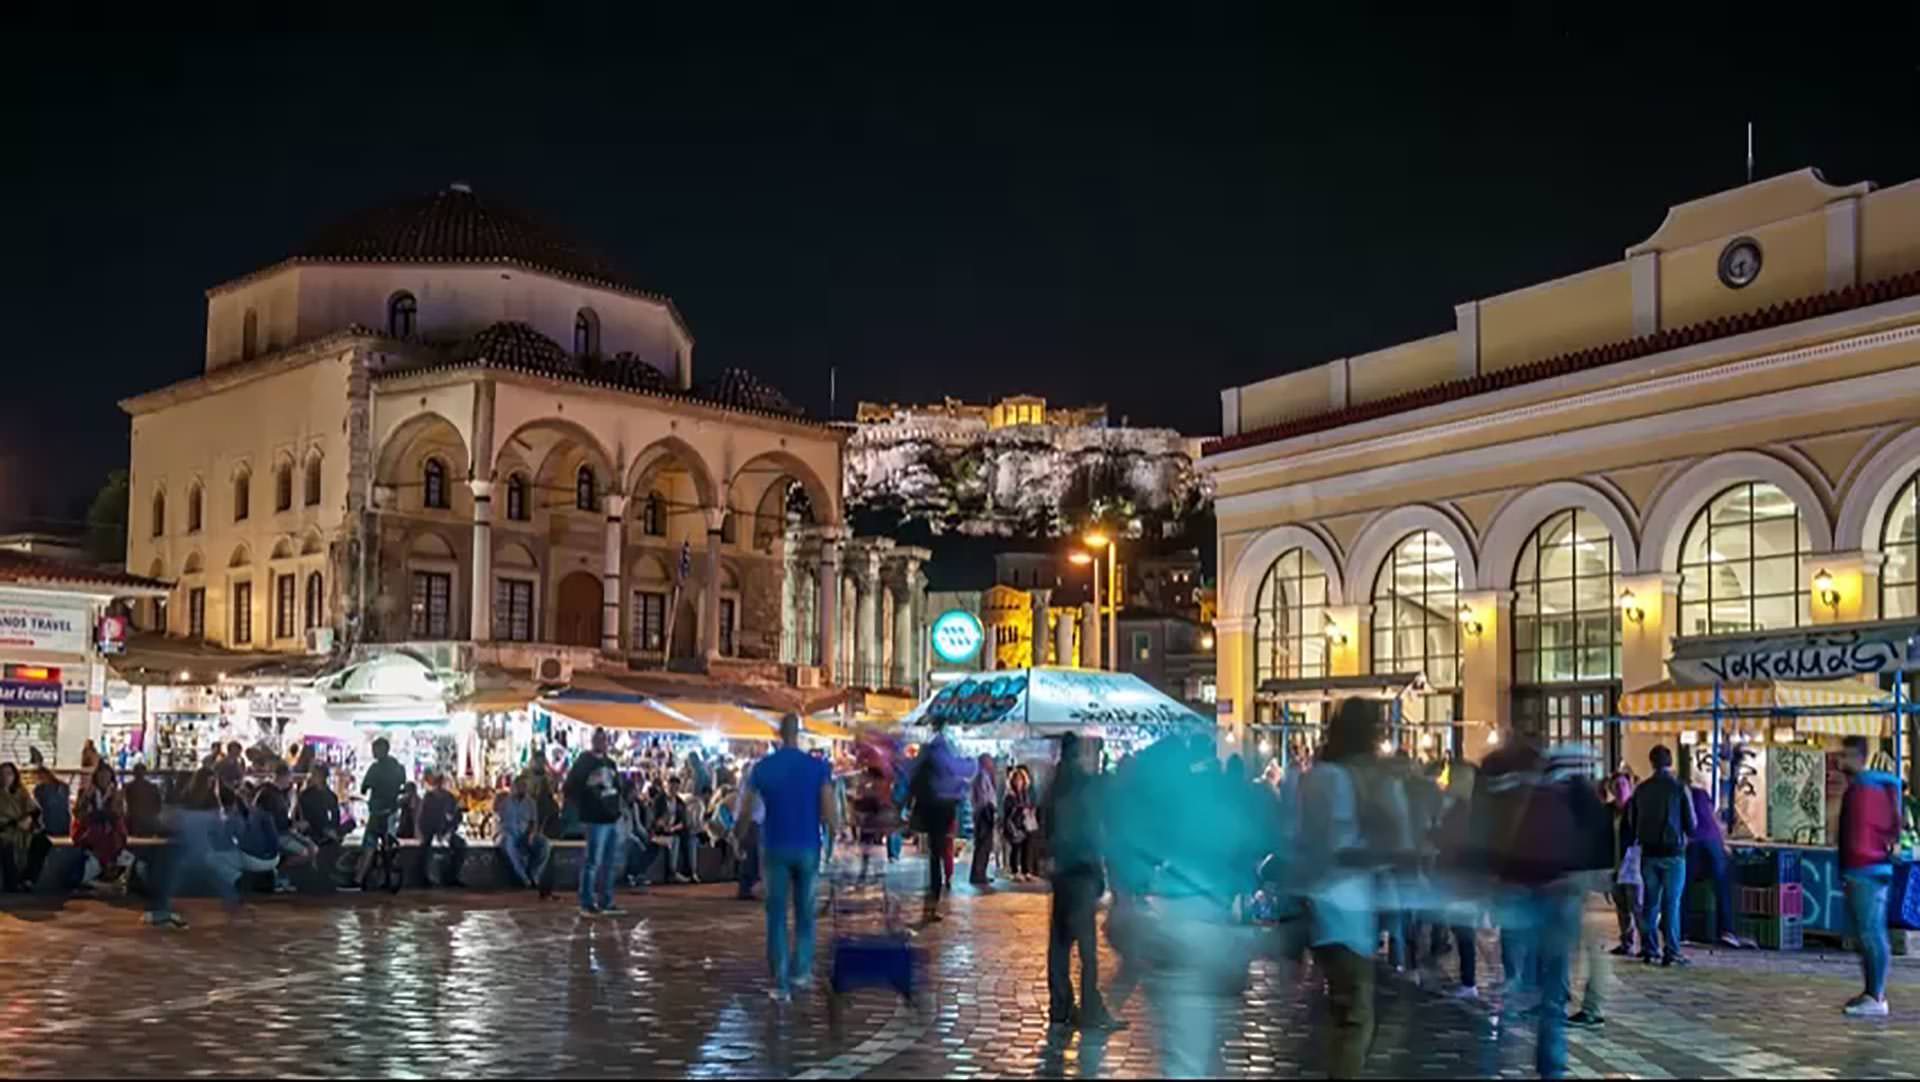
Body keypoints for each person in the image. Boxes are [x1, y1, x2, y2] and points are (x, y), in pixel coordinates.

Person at [1295, 698, 1408, 1079]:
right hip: (1348, 911)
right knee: (1357, 1020)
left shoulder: (1317, 777)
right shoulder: (1363, 780)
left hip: (1318, 909)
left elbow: (1300, 839)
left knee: (1344, 1012)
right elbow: (1365, 846)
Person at [737, 713, 834, 1003]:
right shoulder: (818, 768)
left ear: (779, 733)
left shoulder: (763, 769)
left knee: (776, 915)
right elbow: (830, 811)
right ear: (799, 733)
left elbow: (746, 811)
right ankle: (801, 971)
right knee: (805, 913)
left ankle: (780, 981)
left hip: (775, 846)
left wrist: (738, 836)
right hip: (807, 846)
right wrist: (833, 839)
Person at [1043, 731, 1124, 1031]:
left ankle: (1060, 1006)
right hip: (1080, 872)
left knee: (1060, 944)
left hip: (1061, 873)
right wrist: (1100, 873)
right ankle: (1091, 1008)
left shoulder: (1054, 786)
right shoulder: (1083, 786)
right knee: (1087, 950)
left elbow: (1046, 827)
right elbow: (1091, 831)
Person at [1837, 735, 1901, 1018]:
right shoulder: (1871, 789)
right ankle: (1871, 992)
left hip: (1865, 869)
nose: (1841, 761)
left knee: (1870, 933)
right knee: (1866, 933)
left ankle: (1876, 995)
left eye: (1845, 755)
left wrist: (1853, 864)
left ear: (1858, 757)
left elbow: (1857, 834)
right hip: (1867, 868)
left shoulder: (1865, 791)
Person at [1625, 744, 1695, 967]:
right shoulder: (1679, 788)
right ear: (1670, 762)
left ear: (1651, 762)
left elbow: (1632, 821)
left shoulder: (1641, 789)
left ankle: (1649, 948)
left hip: (1648, 852)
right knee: (1671, 904)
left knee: (1650, 903)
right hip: (1674, 853)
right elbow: (1692, 824)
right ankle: (1672, 951)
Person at [908, 724, 973, 922]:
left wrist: (906, 805)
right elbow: (964, 772)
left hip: (928, 812)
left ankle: (931, 903)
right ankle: (932, 903)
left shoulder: (926, 757)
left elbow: (912, 782)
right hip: (942, 812)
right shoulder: (946, 756)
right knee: (937, 855)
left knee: (934, 857)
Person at [1682, 768, 1749, 950]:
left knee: (1683, 887)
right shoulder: (1703, 795)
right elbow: (1714, 820)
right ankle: (1727, 930)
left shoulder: (1681, 793)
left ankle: (1683, 931)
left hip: (1694, 842)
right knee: (1722, 886)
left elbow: (1687, 822)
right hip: (1713, 842)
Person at [564, 727, 625, 916]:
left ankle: (606, 900)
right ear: (593, 741)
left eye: (604, 740)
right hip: (595, 818)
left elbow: (618, 788)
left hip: (611, 817)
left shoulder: (611, 763)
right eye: (599, 740)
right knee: (592, 861)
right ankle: (587, 901)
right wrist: (586, 799)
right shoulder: (584, 761)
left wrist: (618, 807)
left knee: (609, 861)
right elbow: (570, 787)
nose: (602, 743)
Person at [352, 737, 408, 888]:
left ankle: (359, 878)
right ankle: (390, 874)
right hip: (392, 811)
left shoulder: (375, 768)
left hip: (377, 812)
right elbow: (404, 787)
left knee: (369, 844)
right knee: (389, 843)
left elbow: (364, 787)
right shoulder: (399, 767)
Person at [1601, 769, 1643, 957]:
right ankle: (1626, 943)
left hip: (1633, 864)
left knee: (1637, 905)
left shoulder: (1636, 808)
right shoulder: (1608, 811)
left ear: (1630, 787)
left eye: (1624, 785)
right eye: (1616, 786)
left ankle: (1647, 944)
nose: (1620, 789)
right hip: (1614, 863)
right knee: (1621, 906)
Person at [72, 761, 132, 891]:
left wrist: (104, 812)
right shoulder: (86, 792)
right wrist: (87, 800)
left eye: (106, 776)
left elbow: (118, 814)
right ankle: (101, 880)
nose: (103, 779)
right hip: (90, 831)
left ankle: (110, 876)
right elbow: (78, 813)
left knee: (119, 849)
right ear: (96, 778)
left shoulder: (116, 794)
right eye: (100, 776)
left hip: (111, 832)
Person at [256, 764, 317, 892]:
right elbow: (275, 821)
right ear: (283, 777)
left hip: (281, 831)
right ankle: (281, 871)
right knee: (305, 852)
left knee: (312, 848)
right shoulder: (271, 795)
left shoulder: (274, 793)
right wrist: (294, 825)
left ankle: (283, 874)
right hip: (275, 834)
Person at [497, 775, 552, 896]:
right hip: (509, 833)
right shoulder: (505, 801)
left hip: (524, 834)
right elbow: (499, 819)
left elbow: (533, 821)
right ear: (514, 787)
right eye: (520, 786)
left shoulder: (531, 802)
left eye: (525, 786)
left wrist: (531, 834)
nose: (523, 789)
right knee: (509, 845)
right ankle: (524, 878)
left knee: (545, 844)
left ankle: (535, 874)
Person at [0, 762, 51, 892]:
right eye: (3, 774)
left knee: (42, 842)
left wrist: (28, 818)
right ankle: (12, 882)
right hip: (5, 831)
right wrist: (15, 823)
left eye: (9, 774)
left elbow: (35, 810)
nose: (6, 777)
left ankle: (28, 879)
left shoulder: (21, 793)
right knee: (5, 845)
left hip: (23, 831)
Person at [416, 771, 468, 888]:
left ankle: (452, 876)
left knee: (460, 845)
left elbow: (456, 817)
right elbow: (423, 819)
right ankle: (424, 877)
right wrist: (428, 833)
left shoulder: (450, 798)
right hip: (431, 831)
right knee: (425, 848)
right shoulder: (429, 798)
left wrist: (449, 831)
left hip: (446, 831)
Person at [734, 753, 765, 899]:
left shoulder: (747, 781)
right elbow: (747, 804)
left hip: (753, 819)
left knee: (750, 854)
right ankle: (747, 887)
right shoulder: (752, 782)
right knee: (750, 854)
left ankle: (747, 887)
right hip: (752, 820)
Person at [620, 776, 658, 889]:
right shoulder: (619, 806)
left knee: (654, 847)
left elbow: (638, 826)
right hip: (622, 837)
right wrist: (637, 839)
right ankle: (631, 875)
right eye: (634, 791)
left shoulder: (635, 805)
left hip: (632, 835)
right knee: (635, 846)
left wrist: (648, 836)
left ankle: (637, 873)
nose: (636, 794)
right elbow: (622, 829)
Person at [1003, 765, 1038, 882]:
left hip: (1025, 824)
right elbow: (1007, 813)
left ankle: (1026, 870)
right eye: (1016, 779)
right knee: (1016, 847)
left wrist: (1029, 810)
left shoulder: (1026, 794)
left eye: (1021, 779)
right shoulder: (1010, 795)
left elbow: (1030, 805)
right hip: (1014, 824)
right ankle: (1014, 871)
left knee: (1026, 848)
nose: (1019, 782)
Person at [969, 753, 999, 886]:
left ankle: (980, 873)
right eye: (990, 761)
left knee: (983, 845)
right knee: (984, 845)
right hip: (984, 813)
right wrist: (991, 808)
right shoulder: (982, 776)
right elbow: (984, 796)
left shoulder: (981, 775)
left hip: (982, 812)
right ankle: (979, 874)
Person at [299, 766, 343, 846]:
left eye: (314, 775)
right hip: (312, 830)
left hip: (325, 829)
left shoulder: (331, 796)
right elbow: (304, 816)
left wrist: (332, 828)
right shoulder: (305, 795)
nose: (311, 777)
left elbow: (335, 816)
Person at [125, 763, 165, 838]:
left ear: (133, 773)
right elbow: (158, 806)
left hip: (135, 823)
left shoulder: (128, 787)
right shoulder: (152, 787)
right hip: (149, 823)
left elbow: (127, 806)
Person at [31, 767, 70, 840]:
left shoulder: (63, 786)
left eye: (40, 776)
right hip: (52, 824)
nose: (39, 779)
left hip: (58, 823)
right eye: (37, 777)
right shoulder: (63, 786)